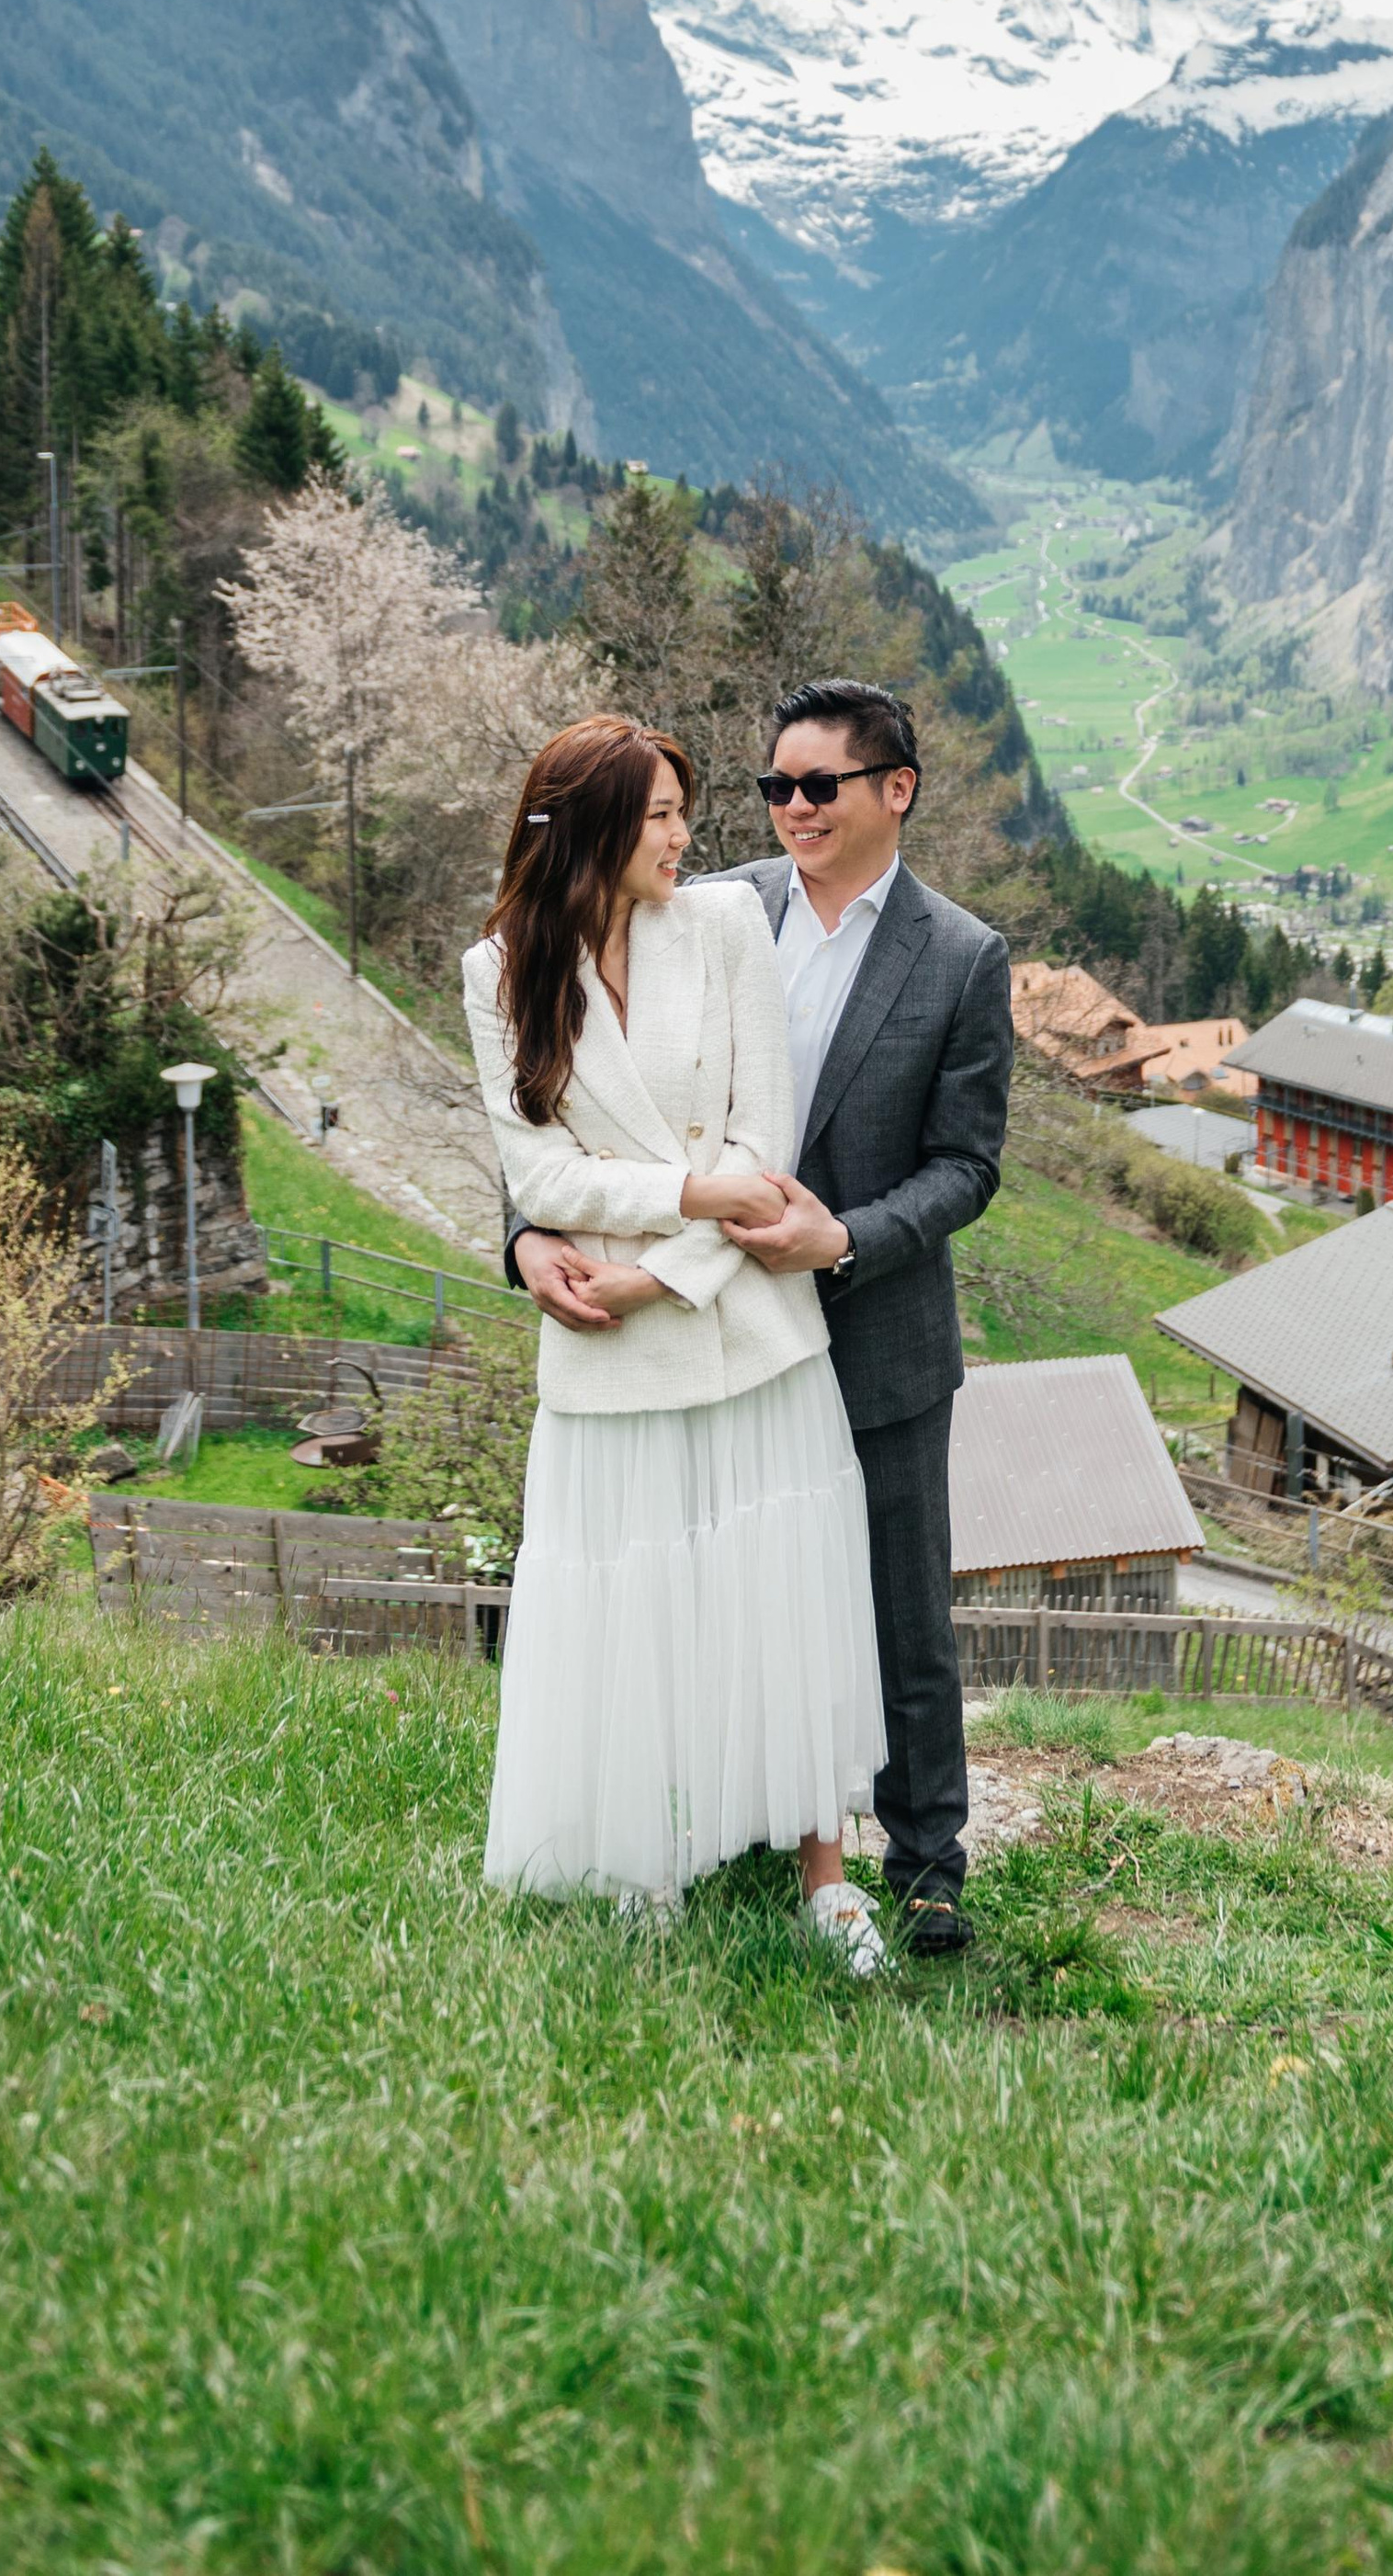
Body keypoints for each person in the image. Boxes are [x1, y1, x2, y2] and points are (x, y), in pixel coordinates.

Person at [508, 678, 1013, 1955]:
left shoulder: (962, 956)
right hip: (701, 1318)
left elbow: (967, 1165)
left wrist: (845, 1237)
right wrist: (524, 1238)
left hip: (872, 1319)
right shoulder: (711, 902)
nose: (793, 806)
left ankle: (928, 1864)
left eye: (818, 785)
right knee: (728, 1586)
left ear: (895, 789)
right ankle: (737, 1821)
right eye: (776, 785)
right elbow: (573, 1102)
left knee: (899, 1611)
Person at [464, 712, 889, 1971]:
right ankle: (642, 1859)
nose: (683, 835)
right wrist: (690, 1195)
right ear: (596, 827)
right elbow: (539, 1171)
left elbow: (768, 1143)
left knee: (780, 1597)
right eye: (658, 814)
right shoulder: (499, 971)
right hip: (606, 1349)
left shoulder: (723, 926)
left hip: (747, 1328)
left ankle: (827, 1882)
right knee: (633, 1607)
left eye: (681, 812)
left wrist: (662, 1267)